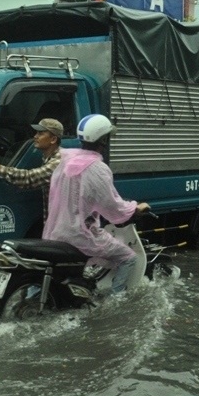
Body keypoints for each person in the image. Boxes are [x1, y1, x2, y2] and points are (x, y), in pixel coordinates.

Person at [42, 114, 149, 296]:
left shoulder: (65, 159)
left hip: (55, 233)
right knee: (128, 257)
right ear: (104, 139)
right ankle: (115, 302)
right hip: (78, 235)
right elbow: (112, 206)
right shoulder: (96, 168)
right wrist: (135, 208)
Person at [0, 118, 63, 221]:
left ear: (53, 139)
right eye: (36, 133)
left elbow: (30, 178)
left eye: (40, 134)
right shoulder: (48, 157)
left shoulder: (59, 161)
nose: (35, 136)